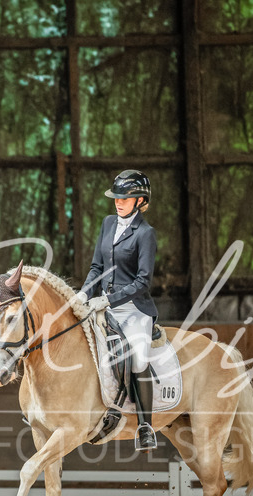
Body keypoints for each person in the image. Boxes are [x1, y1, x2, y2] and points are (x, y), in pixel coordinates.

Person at [75, 169, 159, 451]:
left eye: (125, 198)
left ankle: (146, 426)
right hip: (100, 303)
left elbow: (143, 282)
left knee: (138, 359)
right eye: (116, 197)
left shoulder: (146, 234)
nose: (118, 202)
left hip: (133, 308)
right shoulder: (108, 223)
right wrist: (84, 293)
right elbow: (97, 267)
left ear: (140, 200)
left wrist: (109, 300)